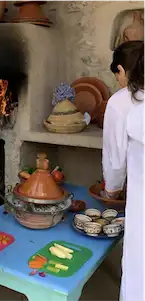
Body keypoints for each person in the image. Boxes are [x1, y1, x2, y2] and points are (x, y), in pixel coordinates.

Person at [103, 40, 145, 301]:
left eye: (116, 74)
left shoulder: (121, 102)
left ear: (121, 70)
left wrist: (111, 189)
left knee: (140, 265)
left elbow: (115, 160)